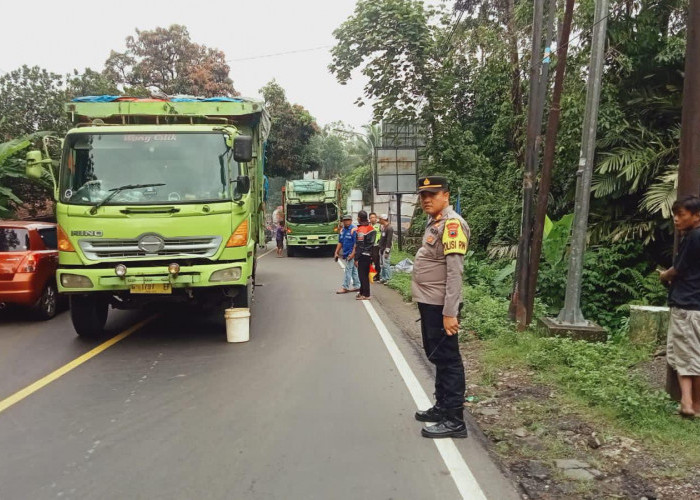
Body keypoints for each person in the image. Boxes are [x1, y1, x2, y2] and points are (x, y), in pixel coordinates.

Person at [412, 176, 470, 439]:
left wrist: (450, 312)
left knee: (449, 359)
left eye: (432, 195)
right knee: (437, 357)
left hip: (440, 306)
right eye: (423, 195)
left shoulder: (452, 225)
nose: (426, 199)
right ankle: (442, 407)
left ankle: (455, 420)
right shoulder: (435, 222)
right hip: (430, 302)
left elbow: (455, 273)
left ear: (446, 195)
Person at [660, 195, 700, 417]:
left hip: (687, 303)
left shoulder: (693, 237)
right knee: (687, 353)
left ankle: (689, 403)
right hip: (695, 303)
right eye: (675, 215)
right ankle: (692, 404)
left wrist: (664, 275)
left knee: (687, 355)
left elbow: (678, 270)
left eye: (681, 214)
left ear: (696, 216)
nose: (676, 219)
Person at [335, 214, 360, 294]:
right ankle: (357, 286)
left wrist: (352, 254)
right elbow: (340, 242)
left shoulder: (354, 230)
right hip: (345, 253)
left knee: (348, 270)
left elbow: (356, 244)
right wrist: (336, 252)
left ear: (351, 221)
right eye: (345, 220)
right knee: (353, 270)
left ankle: (345, 287)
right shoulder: (342, 230)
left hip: (351, 253)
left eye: (348, 220)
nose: (347, 222)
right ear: (343, 222)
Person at [354, 210, 377, 300]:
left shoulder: (361, 230)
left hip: (363, 255)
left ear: (359, 218)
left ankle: (366, 294)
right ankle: (362, 292)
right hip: (370, 254)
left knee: (362, 275)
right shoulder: (371, 228)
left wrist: (356, 258)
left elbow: (360, 245)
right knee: (365, 274)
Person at [377, 214, 394, 283]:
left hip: (385, 248)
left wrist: (387, 251)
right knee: (382, 264)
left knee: (386, 264)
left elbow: (389, 241)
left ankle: (388, 279)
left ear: (383, 219)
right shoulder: (384, 227)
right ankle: (383, 278)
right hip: (381, 248)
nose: (379, 220)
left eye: (380, 219)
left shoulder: (389, 228)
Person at [369, 212, 382, 281]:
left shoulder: (379, 226)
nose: (372, 219)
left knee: (376, 260)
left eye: (373, 217)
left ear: (376, 218)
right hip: (369, 246)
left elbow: (382, 235)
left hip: (376, 245)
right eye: (371, 217)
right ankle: (371, 275)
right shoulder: (368, 226)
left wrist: (380, 242)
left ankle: (377, 276)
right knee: (369, 261)